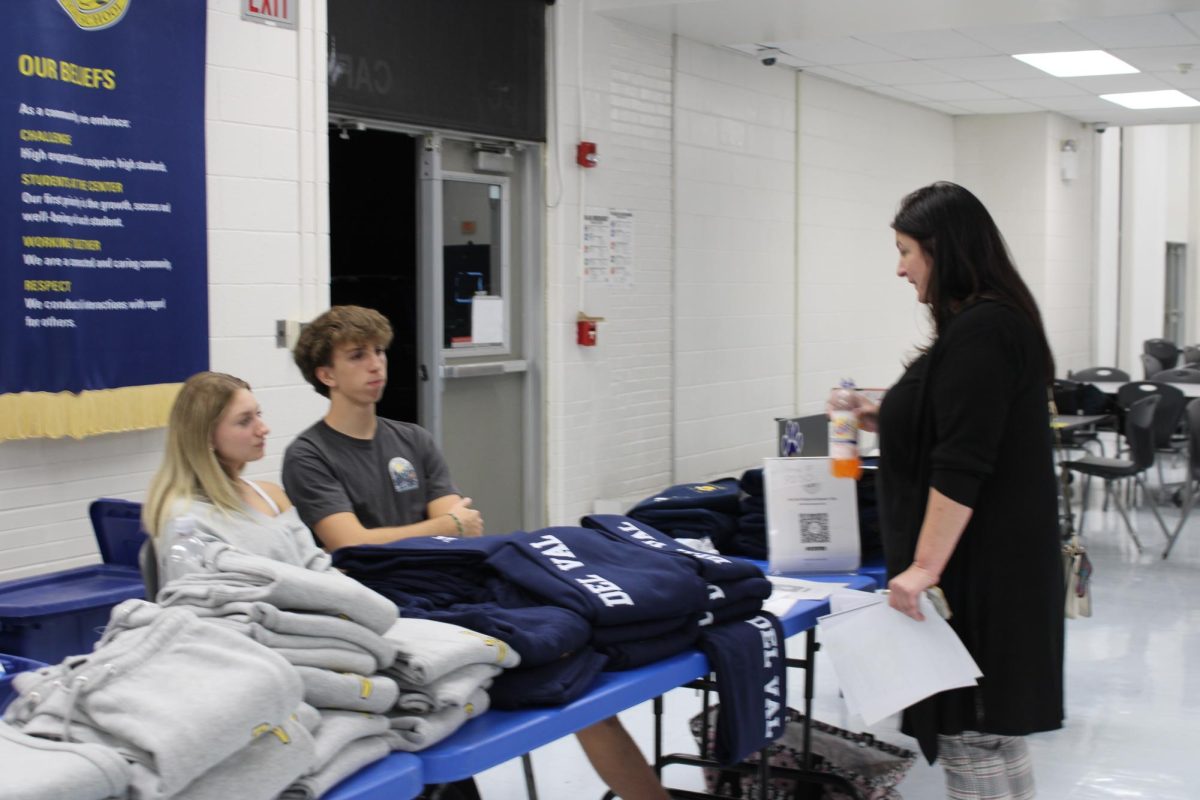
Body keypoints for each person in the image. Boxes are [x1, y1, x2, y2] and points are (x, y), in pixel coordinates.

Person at [284, 305, 669, 800]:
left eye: (379, 352)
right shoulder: (310, 454)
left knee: (580, 684)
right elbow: (352, 544)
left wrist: (441, 528)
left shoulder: (412, 439)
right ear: (325, 374)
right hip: (379, 616)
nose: (377, 365)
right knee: (447, 731)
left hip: (449, 592)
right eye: (357, 356)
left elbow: (463, 526)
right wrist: (440, 527)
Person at [841, 182, 1063, 799]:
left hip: (980, 574)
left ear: (945, 250)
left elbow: (963, 463)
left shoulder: (985, 331)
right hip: (990, 567)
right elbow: (957, 424)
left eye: (906, 250)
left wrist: (923, 568)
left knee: (976, 731)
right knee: (990, 736)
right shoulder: (982, 324)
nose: (900, 267)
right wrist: (880, 417)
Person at [142, 371, 331, 584]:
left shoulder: (271, 494)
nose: (263, 429)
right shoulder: (187, 520)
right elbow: (204, 602)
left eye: (258, 414)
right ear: (207, 436)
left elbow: (314, 562)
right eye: (244, 421)